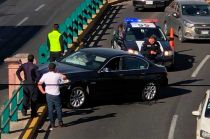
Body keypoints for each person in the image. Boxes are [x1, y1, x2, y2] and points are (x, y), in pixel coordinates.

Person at [38, 63, 66, 130]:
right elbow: (65, 77)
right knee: (58, 108)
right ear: (55, 68)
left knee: (50, 109)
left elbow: (39, 84)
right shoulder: (58, 75)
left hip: (48, 94)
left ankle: (52, 123)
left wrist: (42, 91)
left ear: (48, 68)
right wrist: (58, 73)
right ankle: (60, 122)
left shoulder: (45, 75)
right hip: (56, 94)